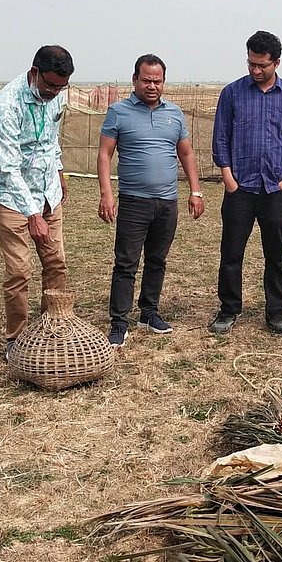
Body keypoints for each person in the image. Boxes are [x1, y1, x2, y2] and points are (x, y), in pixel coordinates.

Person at [97, 54, 205, 347]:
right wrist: (106, 194)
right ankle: (119, 321)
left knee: (157, 260)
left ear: (163, 82)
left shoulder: (175, 114)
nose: (152, 86)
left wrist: (195, 191)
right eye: (146, 80)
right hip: (134, 200)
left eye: (157, 81)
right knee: (126, 262)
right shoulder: (118, 112)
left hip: (167, 202)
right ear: (135, 80)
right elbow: (105, 154)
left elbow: (186, 154)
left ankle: (149, 312)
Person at [209, 30, 282, 335]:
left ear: (276, 62)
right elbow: (221, 138)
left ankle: (276, 312)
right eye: (251, 63)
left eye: (262, 65)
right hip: (240, 187)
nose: (255, 70)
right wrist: (228, 178)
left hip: (276, 188)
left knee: (276, 254)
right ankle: (228, 309)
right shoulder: (232, 93)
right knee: (231, 252)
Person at [0, 45, 75, 356]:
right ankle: (17, 340)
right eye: (50, 85)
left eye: (61, 87)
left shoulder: (57, 95)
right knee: (19, 271)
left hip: (47, 192)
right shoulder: (7, 104)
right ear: (34, 73)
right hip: (9, 197)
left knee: (57, 263)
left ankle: (54, 328)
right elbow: (8, 166)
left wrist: (59, 171)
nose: (54, 92)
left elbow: (51, 140)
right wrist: (33, 213)